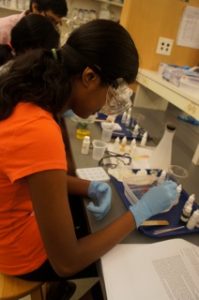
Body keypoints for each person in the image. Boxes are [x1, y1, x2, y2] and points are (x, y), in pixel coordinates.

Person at [0, 19, 177, 299]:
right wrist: (140, 212)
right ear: (89, 77)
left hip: (13, 223)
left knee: (89, 220)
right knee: (116, 264)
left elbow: (40, 178)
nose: (110, 104)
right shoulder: (39, 129)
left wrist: (89, 187)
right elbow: (67, 261)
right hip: (17, 255)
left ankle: (58, 289)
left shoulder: (32, 96)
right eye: (113, 91)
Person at [0, 0, 67, 44]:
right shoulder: (4, 29)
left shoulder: (52, 31)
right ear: (35, 7)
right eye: (51, 19)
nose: (52, 26)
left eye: (57, 23)